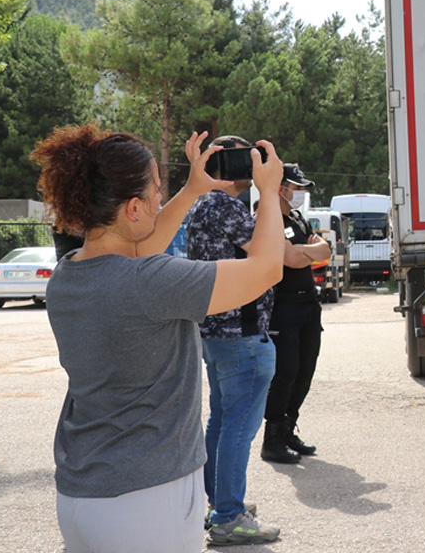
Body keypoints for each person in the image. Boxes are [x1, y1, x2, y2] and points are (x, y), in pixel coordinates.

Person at [31, 125, 285, 553]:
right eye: (155, 192)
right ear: (133, 207)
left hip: (82, 496)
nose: (158, 201)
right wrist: (268, 192)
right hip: (146, 502)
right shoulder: (150, 283)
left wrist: (191, 190)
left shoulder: (68, 275)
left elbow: (139, 251)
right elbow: (267, 269)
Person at [187, 134, 281, 544]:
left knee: (223, 422)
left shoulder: (203, 204)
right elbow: (271, 254)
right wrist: (271, 191)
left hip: (215, 334)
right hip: (240, 336)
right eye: (248, 159)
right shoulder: (224, 206)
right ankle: (228, 515)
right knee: (238, 429)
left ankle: (218, 502)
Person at [261, 163, 330, 464]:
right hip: (284, 306)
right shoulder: (270, 218)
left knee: (305, 372)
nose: (300, 193)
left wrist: (304, 251)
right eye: (296, 187)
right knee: (285, 373)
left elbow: (326, 252)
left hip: (308, 305)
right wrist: (306, 252)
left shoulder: (298, 219)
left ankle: (288, 429)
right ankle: (272, 439)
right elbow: (288, 258)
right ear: (281, 188)